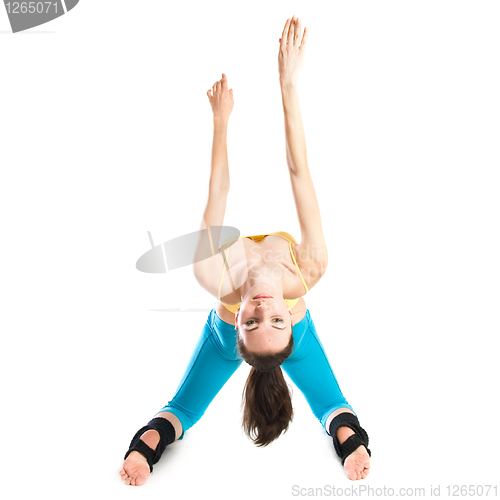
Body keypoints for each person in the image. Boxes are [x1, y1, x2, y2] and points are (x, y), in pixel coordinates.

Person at [120, 15, 371, 486]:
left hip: (229, 339)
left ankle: (149, 441)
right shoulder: (309, 268)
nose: (263, 311)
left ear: (236, 323)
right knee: (337, 409)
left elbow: (218, 190)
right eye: (276, 319)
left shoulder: (214, 277)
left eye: (252, 322)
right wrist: (288, 84)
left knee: (178, 409)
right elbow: (300, 172)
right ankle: (347, 434)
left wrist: (220, 121)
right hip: (292, 336)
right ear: (287, 319)